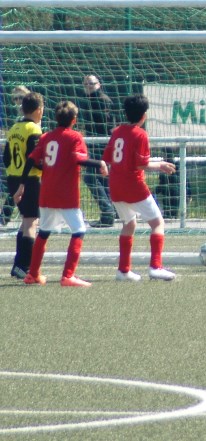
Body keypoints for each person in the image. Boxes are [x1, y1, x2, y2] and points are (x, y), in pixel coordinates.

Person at [13, 101, 108, 287]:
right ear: (74, 120)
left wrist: (22, 185)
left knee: (43, 232)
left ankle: (33, 274)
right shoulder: (75, 137)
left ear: (56, 118)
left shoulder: (46, 137)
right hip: (66, 195)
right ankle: (68, 275)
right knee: (79, 231)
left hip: (47, 193)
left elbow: (31, 160)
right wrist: (100, 163)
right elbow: (78, 159)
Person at [102, 94, 177, 281]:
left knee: (129, 224)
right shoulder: (140, 134)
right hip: (133, 185)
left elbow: (108, 158)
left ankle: (123, 270)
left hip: (115, 185)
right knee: (157, 223)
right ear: (144, 115)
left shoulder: (117, 131)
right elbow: (141, 164)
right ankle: (156, 267)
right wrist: (160, 165)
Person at [4, 92, 44, 279]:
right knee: (31, 221)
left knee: (26, 221)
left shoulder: (14, 128)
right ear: (38, 110)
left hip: (12, 177)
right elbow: (34, 158)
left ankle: (17, 266)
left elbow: (6, 157)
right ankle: (25, 267)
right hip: (29, 180)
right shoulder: (33, 129)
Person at [80, 74, 117, 227]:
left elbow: (108, 125)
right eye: (86, 84)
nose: (88, 86)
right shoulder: (87, 101)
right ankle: (111, 212)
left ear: (99, 84)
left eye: (91, 83)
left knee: (90, 177)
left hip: (102, 145)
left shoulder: (102, 100)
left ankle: (108, 211)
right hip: (94, 144)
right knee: (102, 178)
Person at [0, 86, 31, 225]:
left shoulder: (32, 115)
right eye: (15, 99)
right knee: (13, 187)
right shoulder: (19, 117)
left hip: (29, 158)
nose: (18, 101)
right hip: (19, 158)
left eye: (21, 98)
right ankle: (5, 217)